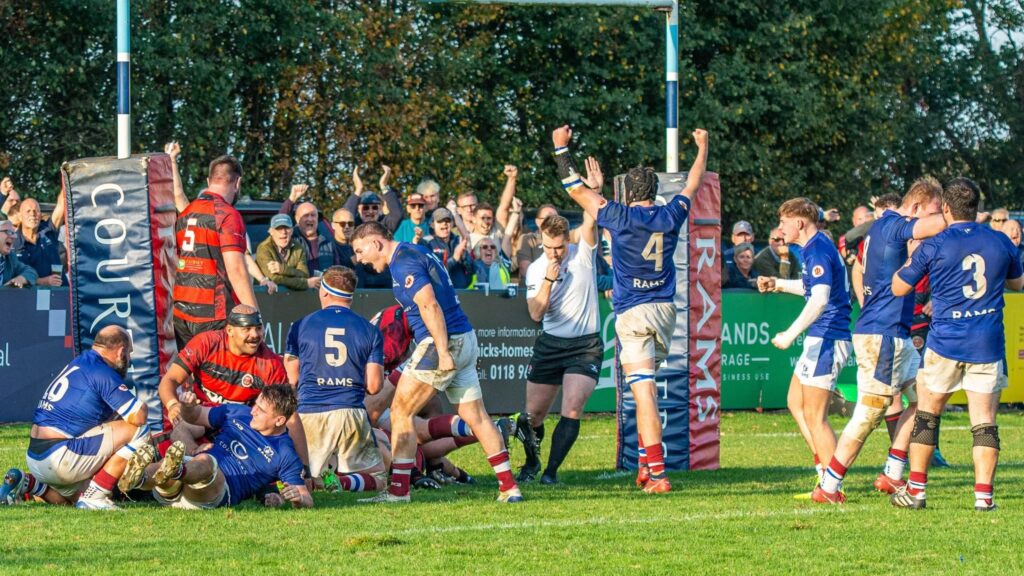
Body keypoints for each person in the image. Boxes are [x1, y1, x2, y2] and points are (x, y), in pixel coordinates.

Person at [553, 124, 708, 494]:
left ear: (628, 192)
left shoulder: (618, 215)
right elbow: (693, 183)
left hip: (634, 313)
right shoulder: (670, 214)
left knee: (644, 394)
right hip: (665, 311)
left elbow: (572, 188)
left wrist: (561, 149)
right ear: (653, 192)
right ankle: (643, 465)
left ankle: (657, 474)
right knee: (645, 391)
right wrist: (703, 147)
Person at [350, 221, 523, 503]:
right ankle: (509, 487)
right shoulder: (416, 251)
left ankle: (399, 492)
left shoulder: (402, 261)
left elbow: (429, 304)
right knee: (477, 417)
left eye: (360, 251)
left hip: (440, 342)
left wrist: (442, 351)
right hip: (463, 336)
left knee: (400, 413)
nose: (360, 259)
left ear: (376, 243)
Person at [889, 178, 1023, 511]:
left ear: (946, 208)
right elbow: (1017, 283)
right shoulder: (1000, 240)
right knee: (984, 421)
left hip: (945, 342)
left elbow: (899, 287)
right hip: (986, 343)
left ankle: (916, 491)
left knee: (927, 416)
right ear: (976, 208)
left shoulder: (935, 243)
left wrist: (908, 260)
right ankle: (984, 498)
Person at [811, 177, 946, 504]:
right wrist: (964, 217)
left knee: (925, 399)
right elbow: (938, 226)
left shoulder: (882, 226)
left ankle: (892, 473)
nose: (937, 216)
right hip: (882, 335)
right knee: (869, 414)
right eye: (934, 210)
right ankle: (829, 486)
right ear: (916, 207)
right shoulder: (896, 225)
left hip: (893, 333)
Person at [757, 197, 852, 497]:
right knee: (795, 402)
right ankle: (825, 472)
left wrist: (789, 335)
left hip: (828, 337)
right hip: (822, 337)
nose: (780, 229)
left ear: (799, 222)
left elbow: (820, 299)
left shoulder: (818, 248)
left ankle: (832, 486)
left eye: (783, 223)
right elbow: (812, 287)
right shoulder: (815, 247)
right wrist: (778, 283)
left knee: (815, 416)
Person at [0, 326, 149, 510]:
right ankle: (96, 496)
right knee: (139, 430)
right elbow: (138, 416)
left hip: (36, 456)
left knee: (73, 500)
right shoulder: (102, 371)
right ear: (121, 351)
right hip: (61, 455)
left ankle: (28, 483)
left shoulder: (80, 362)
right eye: (129, 353)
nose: (129, 360)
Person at [120, 384, 313, 509]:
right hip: (176, 488)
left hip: (212, 495)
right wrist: (188, 406)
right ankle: (138, 480)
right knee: (175, 464)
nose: (253, 411)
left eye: (261, 410)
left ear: (279, 420)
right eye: (256, 404)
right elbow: (195, 416)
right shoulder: (239, 412)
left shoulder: (285, 452)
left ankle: (174, 470)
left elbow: (307, 499)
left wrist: (298, 497)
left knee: (206, 462)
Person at [516, 208, 601, 485]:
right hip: (550, 343)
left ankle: (550, 473)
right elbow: (535, 314)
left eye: (559, 247)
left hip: (585, 345)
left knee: (572, 408)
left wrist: (591, 191)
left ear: (568, 240)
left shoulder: (583, 253)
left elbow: (590, 218)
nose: (554, 253)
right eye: (549, 247)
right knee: (532, 417)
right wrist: (549, 281)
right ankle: (532, 462)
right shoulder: (537, 269)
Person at [283, 266, 388, 493]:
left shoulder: (300, 325)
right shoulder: (370, 330)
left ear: (323, 291)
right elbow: (374, 386)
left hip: (309, 412)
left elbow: (292, 378)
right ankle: (342, 483)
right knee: (379, 478)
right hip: (350, 411)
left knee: (306, 475)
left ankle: (322, 480)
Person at [158, 305, 299, 458]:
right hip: (202, 416)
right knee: (179, 431)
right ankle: (194, 456)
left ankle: (200, 463)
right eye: (247, 329)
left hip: (239, 425)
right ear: (230, 330)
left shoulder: (271, 364)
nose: (255, 334)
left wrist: (303, 464)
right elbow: (169, 380)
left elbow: (289, 416)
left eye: (258, 328)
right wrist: (172, 405)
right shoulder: (206, 343)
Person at [173, 155, 258, 350]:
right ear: (238, 182)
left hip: (181, 314)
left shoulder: (187, 211)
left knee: (190, 367)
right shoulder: (227, 214)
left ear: (208, 181)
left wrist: (172, 161)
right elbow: (237, 270)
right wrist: (254, 317)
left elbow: (177, 194)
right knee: (221, 369)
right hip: (212, 315)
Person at [255, 214, 317, 291]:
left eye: (287, 228)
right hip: (265, 294)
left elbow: (304, 274)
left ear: (292, 231)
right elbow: (275, 279)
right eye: (279, 228)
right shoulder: (264, 248)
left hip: (296, 295)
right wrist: (305, 283)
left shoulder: (298, 248)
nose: (283, 232)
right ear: (271, 232)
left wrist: (283, 269)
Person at [14, 197, 65, 287]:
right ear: (20, 216)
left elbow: (62, 204)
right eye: (28, 211)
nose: (33, 214)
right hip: (29, 294)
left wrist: (66, 185)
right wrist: (43, 281)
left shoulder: (48, 230)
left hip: (60, 292)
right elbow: (12, 278)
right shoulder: (12, 242)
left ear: (41, 215)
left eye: (36, 211)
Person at [423, 207, 472, 289]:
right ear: (432, 224)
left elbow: (471, 270)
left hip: (462, 292)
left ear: (452, 223)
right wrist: (454, 259)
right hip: (440, 293)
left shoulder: (458, 240)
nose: (444, 224)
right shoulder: (427, 243)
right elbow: (433, 273)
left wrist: (465, 258)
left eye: (447, 221)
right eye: (440, 221)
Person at [345, 166, 404, 232]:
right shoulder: (354, 224)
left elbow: (397, 214)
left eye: (375, 207)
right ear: (358, 209)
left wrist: (383, 185)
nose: (370, 211)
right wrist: (358, 189)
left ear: (380, 209)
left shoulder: (385, 224)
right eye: (365, 208)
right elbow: (345, 216)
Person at [516, 204, 559, 275]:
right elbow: (525, 268)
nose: (552, 221)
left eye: (556, 218)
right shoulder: (529, 239)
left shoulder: (563, 239)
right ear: (537, 222)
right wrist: (548, 277)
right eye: (548, 218)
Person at [0, 219, 37, 288]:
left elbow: (31, 272)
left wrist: (21, 279)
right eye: (9, 232)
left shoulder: (10, 257)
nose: (14, 237)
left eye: (14, 233)